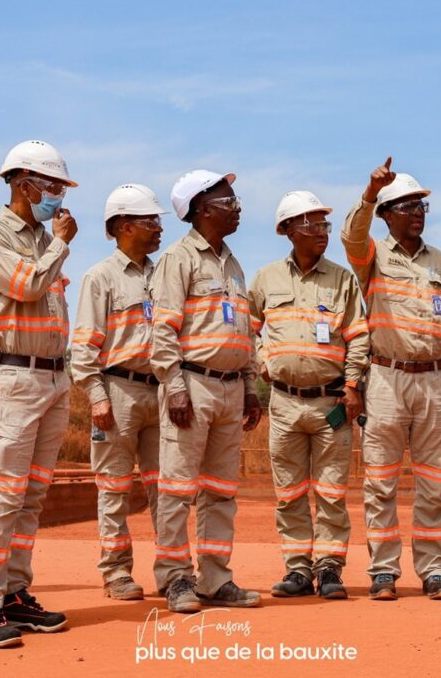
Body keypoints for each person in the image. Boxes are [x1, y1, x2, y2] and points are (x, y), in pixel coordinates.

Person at [341, 158, 441, 601]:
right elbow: (351, 236)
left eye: (421, 205)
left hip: (436, 383)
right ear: (386, 214)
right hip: (386, 378)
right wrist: (369, 191)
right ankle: (383, 571)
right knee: (380, 481)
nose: (417, 212)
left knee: (433, 483)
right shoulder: (371, 257)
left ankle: (434, 571)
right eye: (406, 206)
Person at [0, 140, 78, 647]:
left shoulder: (41, 238)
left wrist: (52, 244)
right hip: (12, 376)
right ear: (21, 183)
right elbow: (26, 287)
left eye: (60, 187)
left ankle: (14, 592)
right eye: (50, 185)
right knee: (5, 493)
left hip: (53, 377)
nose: (56, 195)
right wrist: (59, 244)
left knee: (31, 496)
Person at [149, 169, 263, 613]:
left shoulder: (232, 262)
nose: (237, 208)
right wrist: (174, 387)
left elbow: (244, 332)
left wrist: (251, 387)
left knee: (220, 491)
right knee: (177, 489)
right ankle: (176, 578)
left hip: (231, 390)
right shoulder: (179, 259)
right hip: (192, 386)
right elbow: (163, 330)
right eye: (228, 201)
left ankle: (215, 579)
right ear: (201, 208)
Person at [247, 191, 369, 600]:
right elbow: (247, 331)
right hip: (282, 404)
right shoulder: (266, 279)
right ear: (288, 230)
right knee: (289, 492)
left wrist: (352, 387)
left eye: (325, 226)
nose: (323, 233)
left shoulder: (342, 279)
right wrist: (262, 361)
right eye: (313, 225)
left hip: (331, 403)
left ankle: (330, 567)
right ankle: (298, 568)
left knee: (332, 491)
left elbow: (358, 338)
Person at [70, 184, 166, 601]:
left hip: (162, 392)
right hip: (118, 389)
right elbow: (84, 345)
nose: (159, 227)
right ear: (125, 226)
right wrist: (96, 394)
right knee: (114, 487)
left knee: (169, 487)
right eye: (151, 220)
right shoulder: (100, 277)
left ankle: (173, 569)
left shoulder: (165, 275)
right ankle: (116, 572)